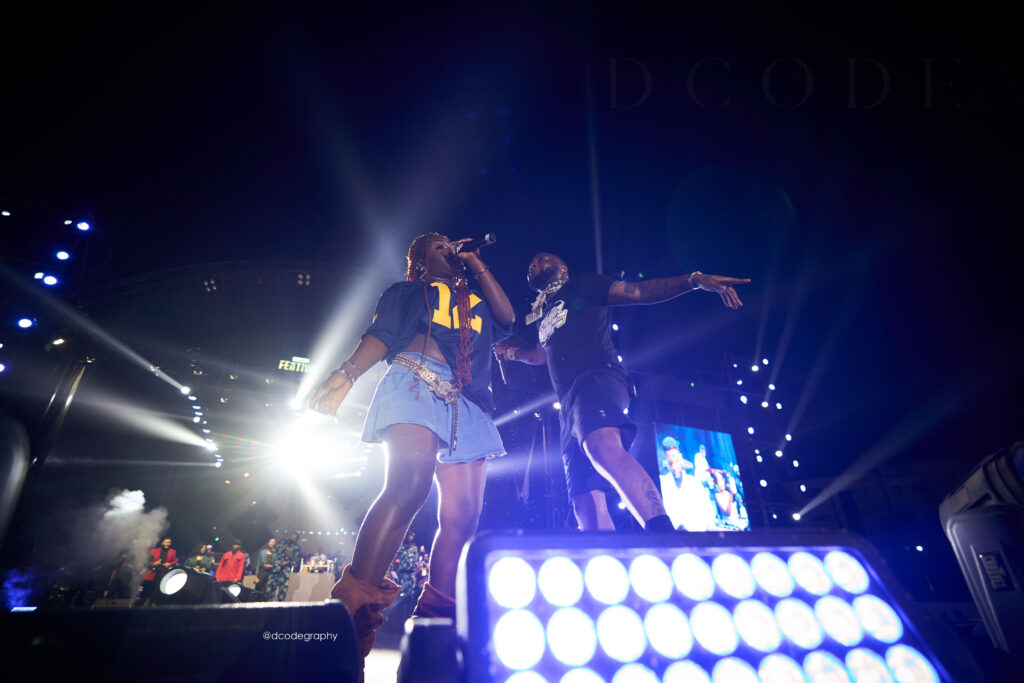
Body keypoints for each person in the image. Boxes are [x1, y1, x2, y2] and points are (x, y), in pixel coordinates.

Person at [309, 233, 514, 659]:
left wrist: (475, 262)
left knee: (464, 515)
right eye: (438, 246)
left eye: (450, 245)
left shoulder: (474, 302)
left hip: (467, 403)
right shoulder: (406, 291)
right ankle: (350, 626)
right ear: (420, 259)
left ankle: (433, 632)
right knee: (409, 487)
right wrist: (347, 374)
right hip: (415, 380)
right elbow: (381, 334)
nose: (449, 248)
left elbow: (507, 318)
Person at [495, 253, 748, 531]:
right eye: (530, 263)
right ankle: (606, 554)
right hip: (567, 403)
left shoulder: (583, 285)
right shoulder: (543, 313)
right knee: (583, 498)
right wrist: (512, 353)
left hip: (596, 378)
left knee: (601, 446)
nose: (533, 264)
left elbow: (640, 291)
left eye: (542, 259)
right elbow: (540, 353)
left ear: (563, 267)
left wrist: (693, 280)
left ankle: (662, 533)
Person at [137, 538, 177, 605]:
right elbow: (146, 562)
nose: (167, 544)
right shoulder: (153, 551)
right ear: (162, 543)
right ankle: (139, 606)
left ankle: (151, 606)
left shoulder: (173, 551)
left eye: (169, 542)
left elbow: (175, 561)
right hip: (152, 573)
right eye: (166, 542)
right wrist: (153, 563)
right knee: (146, 591)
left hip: (163, 573)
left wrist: (169, 564)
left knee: (156, 592)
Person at [267, 532, 300, 601]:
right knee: (269, 589)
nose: (293, 538)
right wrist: (275, 562)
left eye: (295, 537)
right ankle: (268, 603)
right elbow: (273, 551)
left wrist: (290, 558)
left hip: (285, 571)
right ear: (290, 536)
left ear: (297, 539)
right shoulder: (282, 542)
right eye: (292, 536)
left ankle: (280, 605)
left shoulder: (297, 548)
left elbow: (296, 561)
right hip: (275, 569)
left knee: (282, 591)